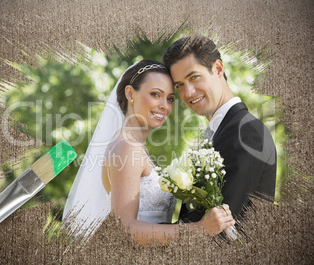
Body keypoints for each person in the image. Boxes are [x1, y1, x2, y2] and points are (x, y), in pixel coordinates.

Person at [62, 60, 235, 245]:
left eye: (169, 99)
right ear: (130, 93)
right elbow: (124, 229)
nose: (164, 106)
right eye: (155, 94)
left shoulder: (131, 145)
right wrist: (199, 229)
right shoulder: (127, 148)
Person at [162, 36, 277, 223]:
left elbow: (226, 229)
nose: (188, 92)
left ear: (218, 69)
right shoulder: (218, 132)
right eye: (179, 85)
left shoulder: (246, 132)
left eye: (194, 77)